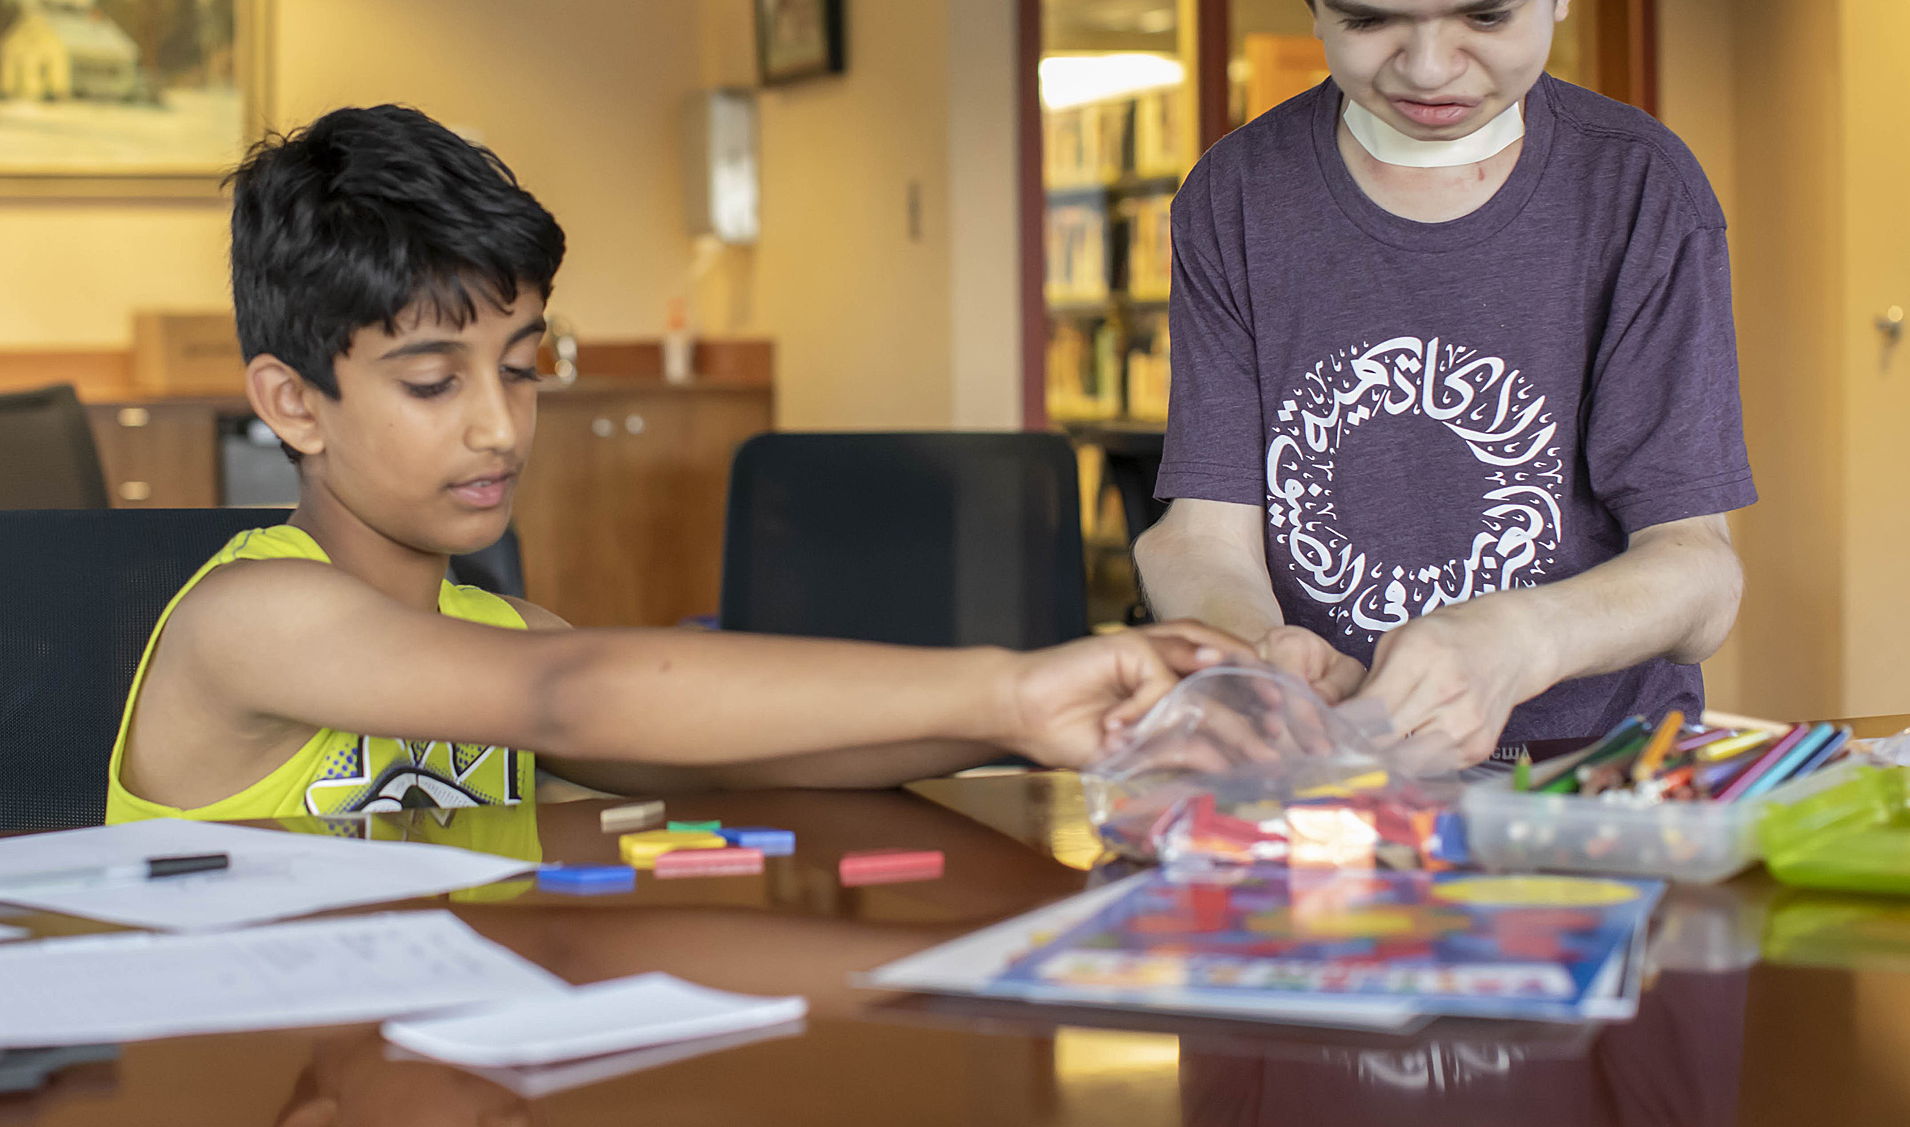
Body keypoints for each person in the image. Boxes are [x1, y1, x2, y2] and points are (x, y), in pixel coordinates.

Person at [109, 105, 1243, 841]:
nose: (501, 428)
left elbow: (751, 749)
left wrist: (1042, 713)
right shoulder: (250, 618)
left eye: (522, 366)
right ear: (291, 402)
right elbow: (578, 693)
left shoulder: (509, 632)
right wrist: (1003, 683)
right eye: (431, 382)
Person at [1136, 0, 1751, 770]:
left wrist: (1519, 638)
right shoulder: (1236, 199)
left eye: (1485, 13)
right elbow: (1201, 536)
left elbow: (1697, 574)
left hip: (1593, 766)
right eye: (1369, 21)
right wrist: (1258, 650)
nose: (1429, 65)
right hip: (1338, 765)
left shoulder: (1638, 189)